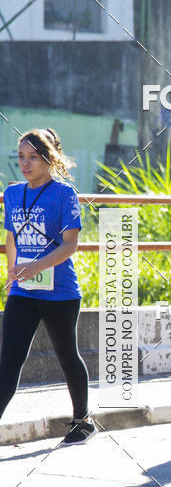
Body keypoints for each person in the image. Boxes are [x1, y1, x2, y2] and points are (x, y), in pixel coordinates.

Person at [1, 128, 96, 446]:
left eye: (33, 157)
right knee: (9, 360)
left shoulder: (64, 194)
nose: (25, 164)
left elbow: (70, 246)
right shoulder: (13, 193)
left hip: (60, 292)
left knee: (68, 354)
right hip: (23, 292)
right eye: (21, 157)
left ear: (49, 159)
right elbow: (11, 237)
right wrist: (13, 272)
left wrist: (33, 267)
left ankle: (82, 420)